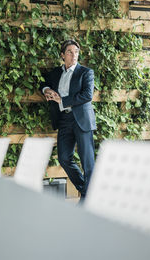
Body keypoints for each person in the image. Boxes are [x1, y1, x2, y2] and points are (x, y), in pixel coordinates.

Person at [40, 39, 96, 202]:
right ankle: (85, 189)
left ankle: (88, 198)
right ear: (63, 55)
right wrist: (47, 89)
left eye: (76, 52)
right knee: (64, 157)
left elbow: (87, 95)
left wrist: (62, 100)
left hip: (82, 119)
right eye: (70, 52)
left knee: (87, 160)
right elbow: (43, 83)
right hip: (64, 119)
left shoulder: (86, 72)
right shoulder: (56, 73)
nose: (74, 55)